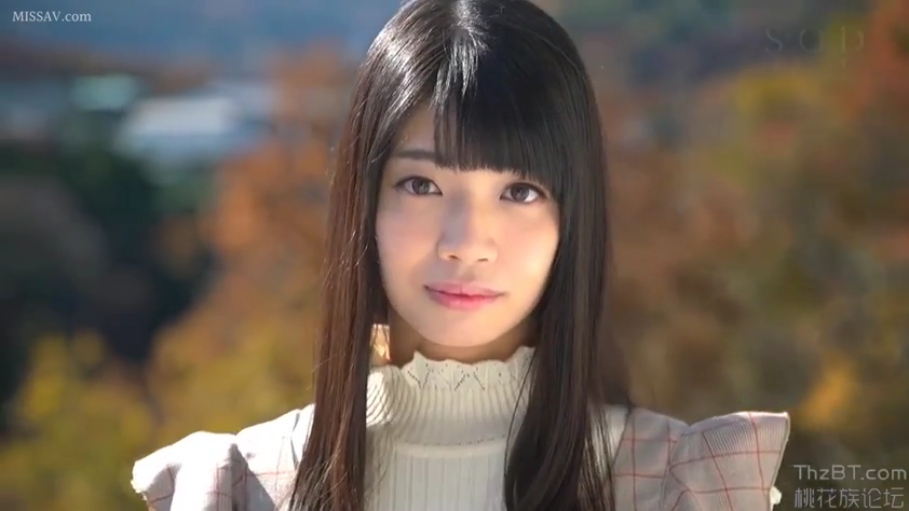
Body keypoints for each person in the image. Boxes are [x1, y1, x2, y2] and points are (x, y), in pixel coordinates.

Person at [131, 0, 790, 509]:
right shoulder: (244, 485)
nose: (467, 242)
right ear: (365, 202)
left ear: (573, 218)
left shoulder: (676, 484)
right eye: (422, 185)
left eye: (519, 191)